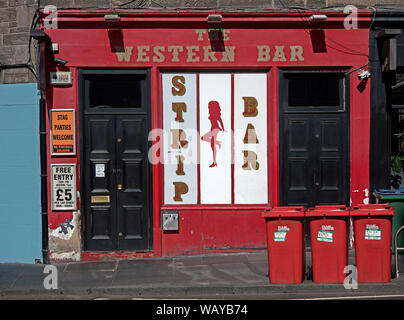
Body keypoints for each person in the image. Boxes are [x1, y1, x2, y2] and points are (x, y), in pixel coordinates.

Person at [201, 100, 225, 167]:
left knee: (210, 143)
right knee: (210, 143)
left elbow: (220, 121)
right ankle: (218, 143)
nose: (209, 108)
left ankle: (214, 162)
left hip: (215, 129)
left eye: (209, 107)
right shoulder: (212, 113)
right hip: (213, 129)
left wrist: (223, 129)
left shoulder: (216, 114)